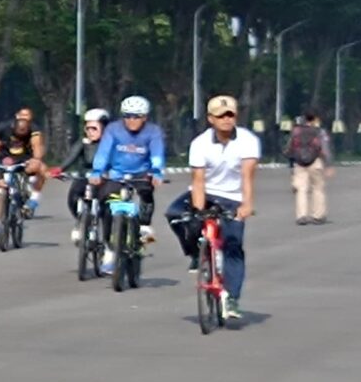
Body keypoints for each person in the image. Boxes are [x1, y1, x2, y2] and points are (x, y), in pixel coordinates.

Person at [170, 95, 259, 321]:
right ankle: (195, 252)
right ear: (211, 118)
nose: (226, 120)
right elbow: (198, 180)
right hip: (207, 193)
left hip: (233, 197)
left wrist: (246, 205)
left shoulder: (248, 141)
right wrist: (199, 213)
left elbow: (247, 177)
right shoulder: (200, 143)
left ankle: (232, 299)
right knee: (175, 214)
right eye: (221, 116)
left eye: (230, 115)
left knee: (233, 246)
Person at [86, 94, 168, 276]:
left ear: (145, 117)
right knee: (107, 207)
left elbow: (157, 153)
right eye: (128, 116)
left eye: (137, 116)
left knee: (146, 190)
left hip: (141, 172)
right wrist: (98, 171)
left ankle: (145, 226)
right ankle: (109, 249)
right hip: (117, 173)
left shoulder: (153, 131)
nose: (132, 120)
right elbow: (104, 151)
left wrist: (157, 171)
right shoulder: (113, 130)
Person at [0, 105, 48, 216]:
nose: (24, 118)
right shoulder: (4, 127)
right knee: (0, 189)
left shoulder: (34, 129)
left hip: (26, 158)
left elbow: (37, 146)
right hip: (5, 159)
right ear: (16, 117)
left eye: (27, 116)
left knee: (42, 169)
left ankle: (34, 198)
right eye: (22, 115)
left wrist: (36, 160)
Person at [55, 108, 109, 235]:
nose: (90, 132)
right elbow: (71, 156)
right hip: (84, 176)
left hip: (105, 178)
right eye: (88, 128)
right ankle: (81, 221)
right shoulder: (83, 143)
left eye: (94, 128)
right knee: (73, 197)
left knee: (109, 205)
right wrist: (60, 169)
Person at [285, 107, 330, 224]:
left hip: (299, 162)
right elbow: (324, 148)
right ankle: (318, 215)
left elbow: (290, 148)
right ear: (315, 118)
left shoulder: (296, 131)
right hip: (316, 161)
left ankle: (301, 215)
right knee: (318, 188)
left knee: (301, 189)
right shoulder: (319, 131)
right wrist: (328, 164)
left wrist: (291, 161)